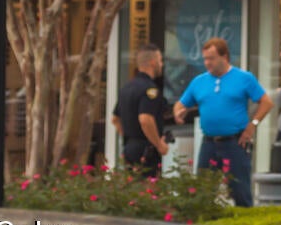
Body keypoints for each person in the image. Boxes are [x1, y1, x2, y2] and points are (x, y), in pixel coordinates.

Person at [174, 37, 271, 207]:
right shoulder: (199, 81)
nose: (207, 63)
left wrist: (252, 126)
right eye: (205, 59)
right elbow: (181, 103)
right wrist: (178, 113)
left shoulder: (244, 78)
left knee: (240, 191)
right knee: (202, 193)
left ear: (224, 56)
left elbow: (266, 102)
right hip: (209, 143)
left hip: (235, 142)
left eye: (211, 58)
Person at [113, 44, 170, 178]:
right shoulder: (150, 90)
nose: (162, 65)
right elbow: (145, 119)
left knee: (133, 191)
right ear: (152, 62)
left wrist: (129, 138)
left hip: (130, 147)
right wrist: (159, 144)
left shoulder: (127, 87)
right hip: (146, 149)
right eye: (160, 61)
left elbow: (115, 119)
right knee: (148, 191)